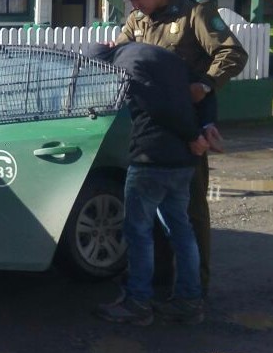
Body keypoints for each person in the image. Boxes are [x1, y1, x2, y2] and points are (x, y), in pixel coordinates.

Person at [110, 0, 249, 296]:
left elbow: (232, 53)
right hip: (151, 127)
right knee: (152, 216)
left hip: (188, 127)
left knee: (189, 214)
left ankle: (194, 289)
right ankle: (158, 283)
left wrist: (205, 84)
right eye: (131, 0)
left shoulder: (195, 13)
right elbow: (122, 52)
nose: (135, 4)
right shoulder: (138, 21)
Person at [88, 42, 209, 325]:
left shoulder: (127, 65)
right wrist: (203, 129)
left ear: (105, 62)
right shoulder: (163, 56)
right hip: (182, 162)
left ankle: (138, 302)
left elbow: (157, 106)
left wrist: (193, 134)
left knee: (138, 232)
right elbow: (202, 91)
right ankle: (190, 300)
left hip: (151, 159)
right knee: (180, 229)